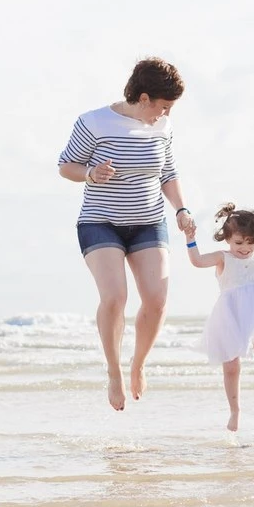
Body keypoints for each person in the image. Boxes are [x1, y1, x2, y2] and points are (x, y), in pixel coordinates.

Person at [58, 58, 195, 412]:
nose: (165, 114)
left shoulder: (162, 126)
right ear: (144, 97)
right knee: (116, 297)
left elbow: (168, 171)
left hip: (148, 221)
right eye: (163, 106)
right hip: (100, 222)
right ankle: (114, 371)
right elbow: (66, 166)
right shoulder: (94, 122)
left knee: (157, 299)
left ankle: (138, 363)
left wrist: (181, 209)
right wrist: (90, 174)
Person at [186, 195, 254, 432]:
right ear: (228, 239)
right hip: (230, 315)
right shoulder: (223, 257)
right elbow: (197, 262)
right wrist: (190, 239)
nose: (245, 248)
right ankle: (235, 411)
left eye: (250, 242)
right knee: (231, 365)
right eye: (239, 243)